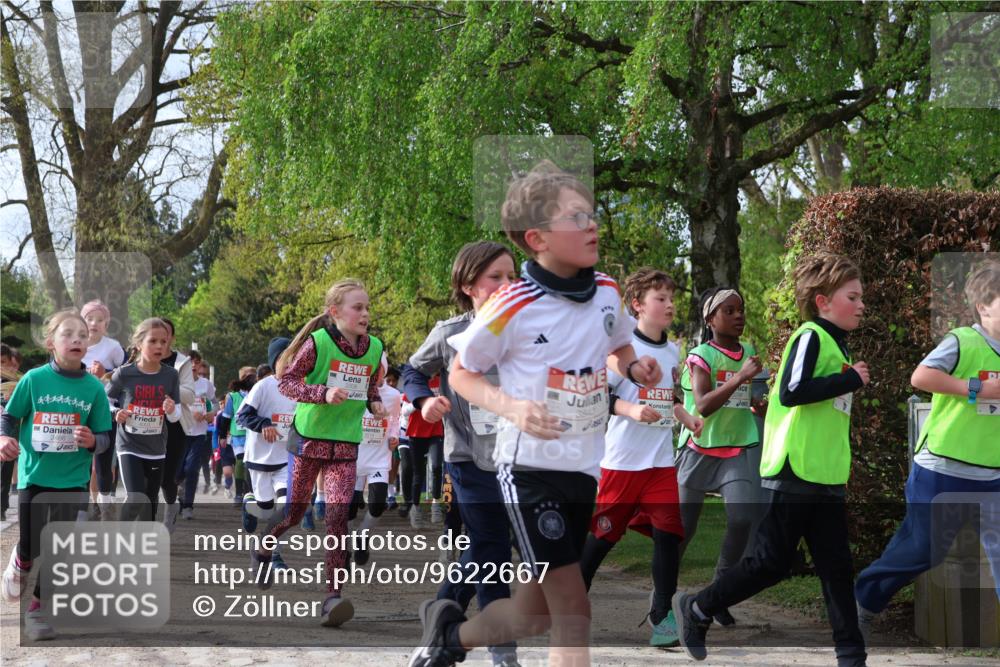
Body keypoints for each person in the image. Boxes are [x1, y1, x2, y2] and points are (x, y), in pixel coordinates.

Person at [409, 160, 662, 667]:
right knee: (573, 606)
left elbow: (617, 348)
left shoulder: (608, 292)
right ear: (538, 238)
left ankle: (449, 636)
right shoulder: (512, 304)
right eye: (575, 218)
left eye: (590, 214)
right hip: (527, 471)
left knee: (533, 615)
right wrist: (513, 408)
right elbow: (461, 374)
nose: (590, 224)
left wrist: (636, 369)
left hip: (584, 468)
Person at [673, 252, 869, 667]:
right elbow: (792, 391)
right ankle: (697, 607)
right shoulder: (811, 336)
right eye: (852, 296)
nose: (861, 304)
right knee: (769, 564)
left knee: (837, 568)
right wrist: (849, 380)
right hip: (794, 471)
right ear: (822, 301)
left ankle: (852, 657)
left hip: (825, 475)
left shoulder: (836, 343)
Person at [855, 261, 1000, 639]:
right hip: (942, 471)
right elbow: (921, 377)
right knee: (924, 550)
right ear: (984, 306)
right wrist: (977, 388)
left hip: (993, 476)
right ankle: (862, 601)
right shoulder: (962, 341)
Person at [402, 240, 523, 667]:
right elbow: (412, 371)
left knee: (487, 549)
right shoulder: (450, 332)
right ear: (469, 285)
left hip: (521, 461)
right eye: (497, 277)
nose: (508, 284)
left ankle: (440, 619)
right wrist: (423, 402)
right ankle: (503, 653)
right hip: (469, 460)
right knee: (491, 550)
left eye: (514, 276)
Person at [250, 279, 386, 627]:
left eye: (367, 307)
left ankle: (332, 598)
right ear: (335, 312)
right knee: (294, 514)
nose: (365, 313)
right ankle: (266, 545)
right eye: (358, 307)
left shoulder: (374, 348)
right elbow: (287, 382)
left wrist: (375, 404)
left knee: (338, 519)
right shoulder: (319, 343)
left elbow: (371, 387)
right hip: (308, 440)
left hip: (345, 444)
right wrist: (322, 393)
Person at [578, 268, 702, 648]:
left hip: (661, 464)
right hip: (622, 463)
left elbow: (666, 398)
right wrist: (631, 412)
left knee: (668, 536)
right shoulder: (621, 352)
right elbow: (596, 398)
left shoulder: (673, 349)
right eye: (660, 299)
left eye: (670, 298)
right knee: (601, 539)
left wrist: (686, 417)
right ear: (637, 306)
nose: (669, 305)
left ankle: (662, 619)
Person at [0, 310, 113, 640]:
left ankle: (37, 610)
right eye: (68, 334)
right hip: (34, 477)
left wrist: (93, 441)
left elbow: (105, 436)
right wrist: (4, 437)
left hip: (75, 479)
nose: (77, 339)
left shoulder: (94, 388)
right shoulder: (34, 380)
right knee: (32, 544)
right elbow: (9, 417)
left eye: (82, 334)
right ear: (51, 343)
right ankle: (20, 561)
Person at [674, 286, 764, 626]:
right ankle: (661, 602)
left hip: (737, 448)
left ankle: (718, 594)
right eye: (729, 311)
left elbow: (746, 398)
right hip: (698, 449)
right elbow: (704, 405)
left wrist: (759, 403)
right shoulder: (701, 356)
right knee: (682, 531)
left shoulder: (750, 352)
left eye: (740, 309)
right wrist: (740, 377)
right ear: (710, 318)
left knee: (742, 518)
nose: (739, 315)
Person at [106, 318, 182, 524]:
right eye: (153, 341)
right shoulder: (125, 373)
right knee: (135, 496)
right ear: (139, 344)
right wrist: (116, 412)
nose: (160, 346)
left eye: (164, 341)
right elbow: (107, 400)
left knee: (149, 500)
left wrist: (172, 409)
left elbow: (177, 414)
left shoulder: (171, 375)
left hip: (156, 446)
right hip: (129, 443)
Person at [237, 337, 295, 569]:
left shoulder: (300, 388)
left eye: (295, 358)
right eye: (285, 358)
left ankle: (274, 554)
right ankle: (249, 503)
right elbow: (243, 416)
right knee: (265, 509)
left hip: (284, 458)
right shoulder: (264, 386)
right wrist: (263, 425)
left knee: (285, 507)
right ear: (275, 362)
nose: (291, 363)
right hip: (260, 458)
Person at [80, 300, 126, 519]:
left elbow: (126, 372)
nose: (94, 323)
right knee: (82, 460)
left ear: (107, 324)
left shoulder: (113, 346)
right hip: (78, 409)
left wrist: (105, 371)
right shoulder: (74, 343)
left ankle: (105, 503)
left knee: (102, 460)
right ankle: (89, 503)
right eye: (89, 318)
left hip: (106, 408)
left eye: (100, 320)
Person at [179, 350, 216, 519]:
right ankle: (179, 493)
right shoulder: (177, 382)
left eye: (197, 362)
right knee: (178, 471)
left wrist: (211, 414)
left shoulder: (205, 384)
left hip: (199, 433)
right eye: (190, 362)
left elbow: (214, 403)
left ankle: (188, 506)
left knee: (192, 468)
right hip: (180, 432)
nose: (193, 365)